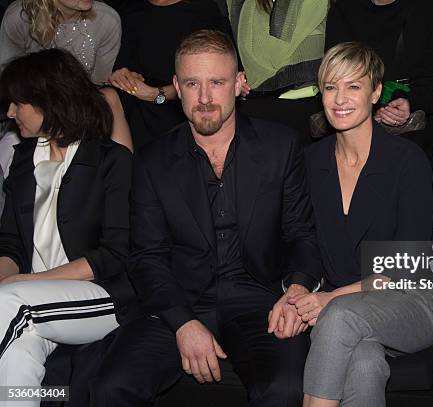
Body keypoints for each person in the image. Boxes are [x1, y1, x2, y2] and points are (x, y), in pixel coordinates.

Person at [89, 29, 322, 407]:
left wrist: (297, 289)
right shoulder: (152, 161)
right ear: (177, 87)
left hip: (258, 300)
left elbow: (301, 233)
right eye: (193, 84)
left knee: (285, 389)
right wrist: (182, 323)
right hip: (180, 300)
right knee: (110, 387)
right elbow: (146, 256)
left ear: (240, 83)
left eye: (217, 82)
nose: (205, 98)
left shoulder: (281, 147)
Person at [296, 42, 433, 407]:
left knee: (340, 317)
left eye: (353, 86)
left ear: (376, 92)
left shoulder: (408, 161)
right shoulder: (310, 162)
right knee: (363, 364)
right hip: (342, 314)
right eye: (330, 87)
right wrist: (297, 291)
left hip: (407, 302)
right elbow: (305, 245)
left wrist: (330, 299)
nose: (340, 98)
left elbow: (405, 267)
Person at [0, 48, 135, 407]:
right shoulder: (23, 159)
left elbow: (113, 255)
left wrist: (23, 283)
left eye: (17, 103)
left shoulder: (111, 161)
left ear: (49, 100)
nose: (10, 113)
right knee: (16, 359)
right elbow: (11, 243)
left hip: (100, 298)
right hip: (29, 303)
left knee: (11, 303)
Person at [324, 0, 433, 159]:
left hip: (417, 120)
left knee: (398, 155)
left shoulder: (431, 8)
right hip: (355, 110)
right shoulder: (344, 10)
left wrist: (409, 102)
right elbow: (334, 75)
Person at [0, 0, 133, 151]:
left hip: (78, 111)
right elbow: (10, 82)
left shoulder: (106, 20)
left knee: (109, 96)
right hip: (31, 113)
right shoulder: (20, 17)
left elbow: (97, 86)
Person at [108, 0, 230, 150]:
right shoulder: (132, 10)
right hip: (138, 102)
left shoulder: (202, 9)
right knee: (109, 98)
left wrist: (156, 94)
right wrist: (123, 77)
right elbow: (124, 66)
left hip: (183, 104)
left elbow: (213, 74)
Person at [227, 0, 328, 144]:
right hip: (254, 107)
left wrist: (250, 74)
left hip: (303, 108)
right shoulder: (244, 4)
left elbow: (277, 51)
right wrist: (237, 78)